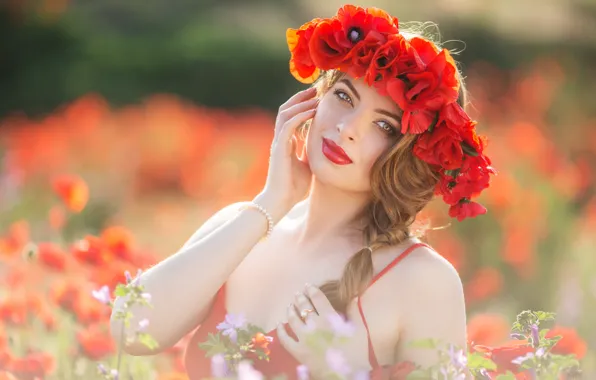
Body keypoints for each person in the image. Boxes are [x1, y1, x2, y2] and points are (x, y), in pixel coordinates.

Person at [111, 4, 495, 379]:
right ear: (314, 98)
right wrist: (271, 202)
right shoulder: (242, 226)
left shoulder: (422, 279)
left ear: (411, 154)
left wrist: (340, 370)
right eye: (344, 96)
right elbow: (131, 330)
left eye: (385, 126)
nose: (348, 128)